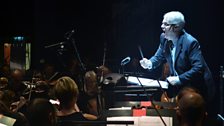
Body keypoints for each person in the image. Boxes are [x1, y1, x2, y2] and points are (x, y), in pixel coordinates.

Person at [139, 11, 214, 103]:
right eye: (162, 23)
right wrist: (149, 63)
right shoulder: (164, 38)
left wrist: (179, 79)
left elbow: (198, 68)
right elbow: (158, 57)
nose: (162, 26)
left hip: (196, 87)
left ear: (176, 27)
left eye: (166, 24)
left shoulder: (190, 42)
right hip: (181, 87)